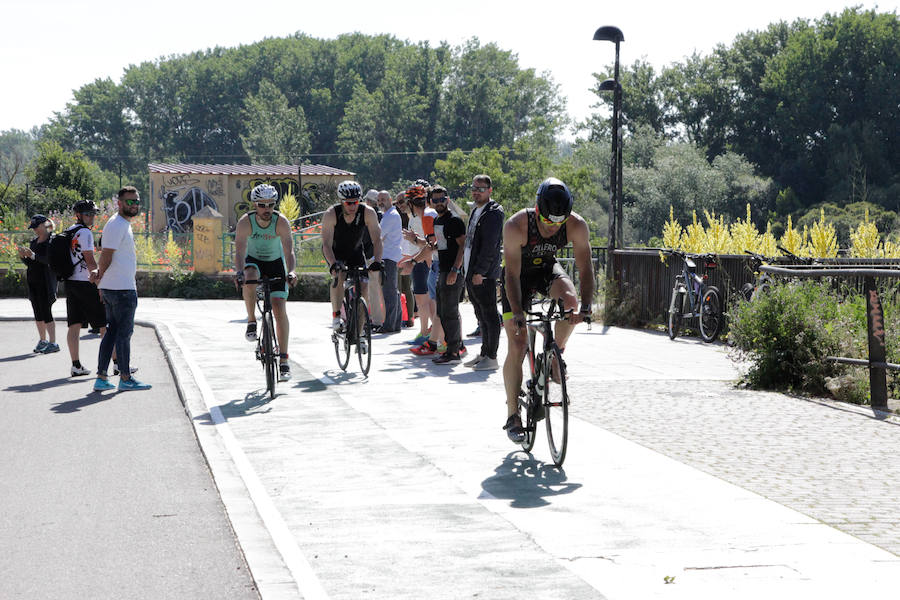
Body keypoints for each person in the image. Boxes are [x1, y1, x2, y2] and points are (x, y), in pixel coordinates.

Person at [500, 178, 594, 443]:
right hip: (516, 278)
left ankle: (556, 353)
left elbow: (586, 269)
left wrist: (584, 307)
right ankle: (512, 414)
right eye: (547, 222)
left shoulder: (576, 225)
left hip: (545, 270)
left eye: (558, 223)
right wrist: (518, 312)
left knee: (570, 302)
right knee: (517, 344)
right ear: (537, 209)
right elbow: (511, 275)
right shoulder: (516, 225)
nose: (553, 228)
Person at [233, 183, 298, 382]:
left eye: (270, 205)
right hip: (254, 261)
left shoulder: (281, 222)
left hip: (275, 264)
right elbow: (240, 252)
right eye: (262, 205)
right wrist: (239, 272)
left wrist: (292, 271)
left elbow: (289, 251)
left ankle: (284, 360)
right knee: (250, 273)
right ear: (255, 205)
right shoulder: (246, 222)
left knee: (279, 309)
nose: (267, 209)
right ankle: (252, 320)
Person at [91, 186, 153, 391]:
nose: (134, 205)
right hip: (121, 290)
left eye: (136, 201)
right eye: (129, 201)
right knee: (123, 334)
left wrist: (102, 282)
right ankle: (125, 378)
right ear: (119, 203)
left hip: (114, 287)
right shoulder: (117, 224)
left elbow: (107, 254)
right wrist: (100, 277)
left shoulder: (119, 224)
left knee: (111, 333)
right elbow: (107, 254)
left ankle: (102, 378)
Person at [321, 180, 383, 333]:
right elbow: (326, 244)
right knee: (339, 275)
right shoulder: (331, 214)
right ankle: (336, 315)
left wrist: (377, 262)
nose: (353, 206)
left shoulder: (367, 212)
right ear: (341, 201)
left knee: (364, 287)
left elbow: (377, 240)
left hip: (355, 252)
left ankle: (360, 330)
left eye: (356, 202)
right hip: (335, 253)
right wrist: (333, 264)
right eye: (349, 203)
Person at [463, 175, 504, 371]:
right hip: (471, 270)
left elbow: (490, 246)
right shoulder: (476, 210)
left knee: (489, 314)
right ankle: (484, 352)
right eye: (474, 187)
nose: (476, 191)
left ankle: (492, 356)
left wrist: (480, 271)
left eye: (481, 188)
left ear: (490, 190)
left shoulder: (494, 212)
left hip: (484, 273)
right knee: (480, 314)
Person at [63, 200, 107, 377]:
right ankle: (116, 364)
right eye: (88, 214)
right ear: (79, 215)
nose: (92, 217)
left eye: (93, 213)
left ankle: (76, 365)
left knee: (74, 325)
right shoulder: (85, 233)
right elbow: (90, 261)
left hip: (70, 282)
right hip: (85, 282)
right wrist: (99, 284)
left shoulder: (69, 231)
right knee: (105, 324)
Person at [430, 190, 468, 364]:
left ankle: (454, 352)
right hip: (442, 269)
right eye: (435, 199)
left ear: (447, 200)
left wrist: (455, 270)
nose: (439, 202)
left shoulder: (454, 220)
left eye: (442, 199)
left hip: (452, 271)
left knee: (450, 312)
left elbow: (462, 245)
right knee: (442, 312)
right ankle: (453, 347)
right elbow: (442, 244)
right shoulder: (438, 220)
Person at [404, 185, 442, 355]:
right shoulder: (429, 214)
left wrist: (413, 260)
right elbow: (431, 246)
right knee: (438, 304)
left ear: (411, 204)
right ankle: (440, 341)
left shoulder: (427, 216)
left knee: (439, 305)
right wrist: (415, 240)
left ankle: (442, 342)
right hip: (437, 262)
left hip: (438, 264)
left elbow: (431, 247)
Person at [17, 215, 58, 353]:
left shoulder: (52, 241)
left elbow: (49, 260)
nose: (34, 230)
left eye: (36, 227)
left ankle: (53, 342)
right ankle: (43, 340)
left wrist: (33, 255)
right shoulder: (34, 241)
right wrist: (24, 257)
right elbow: (31, 263)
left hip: (45, 282)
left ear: (44, 225)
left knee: (46, 312)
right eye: (33, 227)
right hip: (33, 281)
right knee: (38, 313)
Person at [377, 190, 402, 333]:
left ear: (390, 199)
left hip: (388, 257)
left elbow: (378, 235)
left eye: (384, 199)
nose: (381, 202)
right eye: (379, 199)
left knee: (389, 292)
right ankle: (395, 324)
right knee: (393, 291)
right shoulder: (389, 215)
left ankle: (389, 325)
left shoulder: (390, 216)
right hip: (390, 256)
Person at [363, 189, 385, 328]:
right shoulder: (381, 216)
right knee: (374, 290)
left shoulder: (369, 216)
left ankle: (375, 321)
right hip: (374, 255)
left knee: (373, 290)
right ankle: (374, 319)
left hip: (370, 256)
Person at [394, 191, 415, 328]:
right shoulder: (409, 216)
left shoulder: (400, 218)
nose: (398, 205)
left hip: (402, 255)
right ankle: (410, 318)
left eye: (400, 202)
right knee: (407, 289)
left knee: (401, 288)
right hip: (408, 255)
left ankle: (403, 317)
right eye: (396, 203)